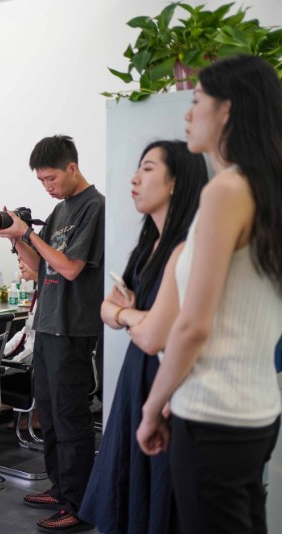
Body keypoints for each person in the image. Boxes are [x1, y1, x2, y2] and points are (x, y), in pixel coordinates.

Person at [136, 55, 282, 534]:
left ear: (227, 109)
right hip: (257, 411)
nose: (187, 112)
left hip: (213, 415)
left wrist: (152, 407)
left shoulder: (226, 191)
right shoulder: (268, 191)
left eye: (197, 99)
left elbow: (193, 326)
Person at [79, 141, 207, 533]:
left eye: (148, 169)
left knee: (159, 496)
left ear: (176, 182)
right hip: (138, 378)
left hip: (164, 383)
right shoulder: (149, 245)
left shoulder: (186, 248)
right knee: (129, 489)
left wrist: (128, 317)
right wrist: (134, 316)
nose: (134, 179)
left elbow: (153, 337)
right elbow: (106, 309)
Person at [0, 135, 104, 533]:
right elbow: (42, 267)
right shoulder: (60, 210)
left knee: (71, 418)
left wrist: (31, 234)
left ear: (72, 167)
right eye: (41, 181)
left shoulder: (95, 207)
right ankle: (61, 489)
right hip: (48, 324)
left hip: (74, 327)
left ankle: (80, 505)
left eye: (51, 178)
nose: (47, 187)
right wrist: (17, 238)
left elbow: (71, 268)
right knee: (51, 416)